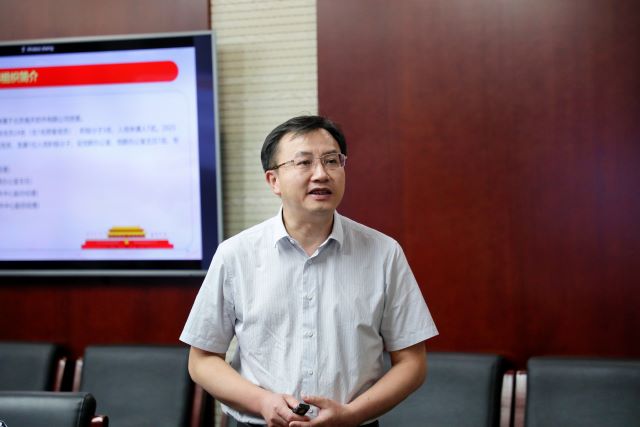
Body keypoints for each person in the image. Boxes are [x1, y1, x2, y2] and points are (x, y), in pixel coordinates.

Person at [180, 115, 438, 427]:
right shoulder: (235, 254)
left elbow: (412, 363)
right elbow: (202, 360)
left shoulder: (384, 253)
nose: (321, 174)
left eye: (332, 161)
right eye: (304, 162)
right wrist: (262, 401)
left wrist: (352, 415)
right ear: (273, 181)